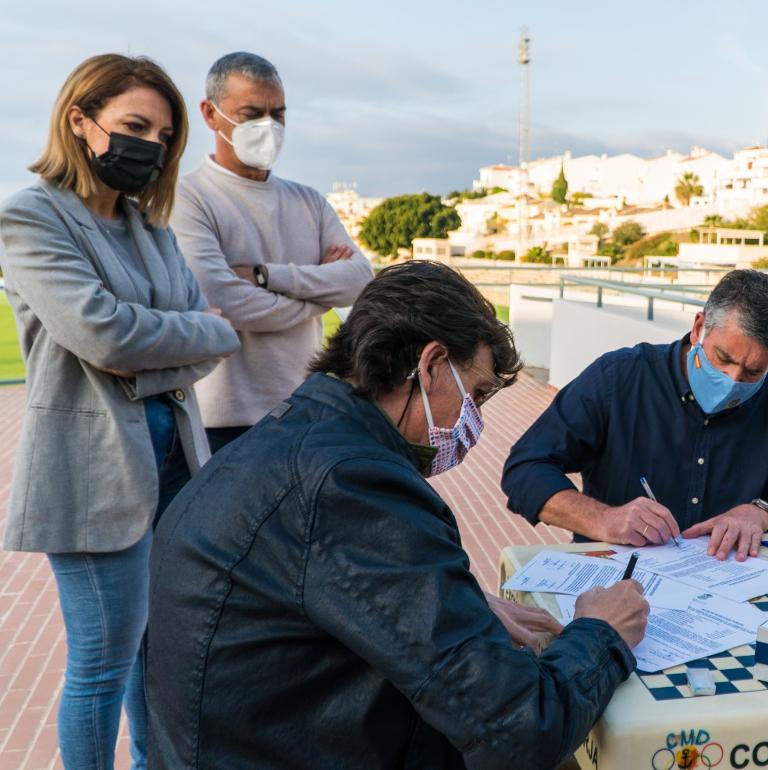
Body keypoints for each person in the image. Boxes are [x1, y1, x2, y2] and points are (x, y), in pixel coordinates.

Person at [146, 261, 649, 769]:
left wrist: (447, 604)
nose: (474, 422)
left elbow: (328, 585)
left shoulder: (297, 436)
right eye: (476, 396)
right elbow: (519, 728)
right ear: (431, 365)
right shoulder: (352, 484)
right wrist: (602, 632)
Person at [0, 54, 240, 769]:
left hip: (176, 466)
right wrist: (181, 335)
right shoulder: (30, 217)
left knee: (154, 649)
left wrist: (160, 343)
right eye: (135, 126)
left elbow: (212, 336)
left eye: (163, 136)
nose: (151, 147)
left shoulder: (150, 227)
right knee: (102, 662)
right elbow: (104, 335)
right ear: (80, 120)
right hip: (91, 473)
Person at [502, 269, 768, 561]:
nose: (732, 380)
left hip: (727, 586)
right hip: (613, 582)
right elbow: (525, 469)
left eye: (753, 372)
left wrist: (761, 515)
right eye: (723, 358)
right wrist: (604, 519)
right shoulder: (619, 378)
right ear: (699, 328)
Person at [171, 52, 373, 452]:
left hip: (305, 411)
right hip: (222, 421)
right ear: (210, 114)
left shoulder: (309, 201)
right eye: (251, 114)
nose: (268, 126)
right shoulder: (187, 198)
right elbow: (221, 300)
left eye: (277, 115)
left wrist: (266, 276)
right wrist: (319, 296)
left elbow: (360, 281)